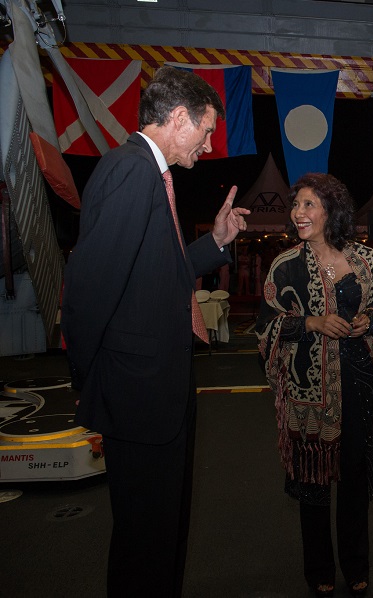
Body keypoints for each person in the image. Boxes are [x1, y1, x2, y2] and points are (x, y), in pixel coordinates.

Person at [61, 65, 249, 597]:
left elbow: (156, 274)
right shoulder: (133, 172)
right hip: (138, 398)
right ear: (178, 117)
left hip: (154, 396)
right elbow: (89, 288)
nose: (210, 145)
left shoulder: (149, 174)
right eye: (207, 130)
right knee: (145, 540)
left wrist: (215, 242)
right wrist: (91, 379)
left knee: (161, 534)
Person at [257, 173, 373, 598]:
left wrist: (368, 320)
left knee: (353, 483)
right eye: (296, 204)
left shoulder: (367, 259)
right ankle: (318, 569)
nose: (299, 212)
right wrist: (311, 322)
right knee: (314, 486)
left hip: (359, 387)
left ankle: (355, 565)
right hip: (307, 394)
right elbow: (265, 327)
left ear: (332, 210)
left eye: (309, 204)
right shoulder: (285, 265)